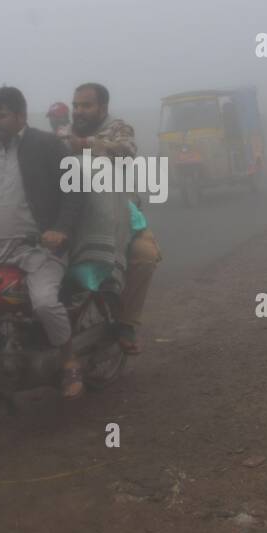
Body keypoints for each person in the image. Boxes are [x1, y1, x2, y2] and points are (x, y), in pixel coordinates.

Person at [0, 87, 87, 398]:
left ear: (21, 116)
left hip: (41, 251)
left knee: (44, 303)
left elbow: (74, 189)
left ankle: (69, 361)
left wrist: (60, 229)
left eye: (2, 115)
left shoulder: (48, 145)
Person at [67, 82, 161, 354]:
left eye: (86, 105)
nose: (79, 111)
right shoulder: (64, 133)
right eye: (76, 106)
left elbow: (126, 150)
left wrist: (83, 145)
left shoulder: (118, 129)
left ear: (102, 107)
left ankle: (126, 322)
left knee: (145, 255)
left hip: (121, 211)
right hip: (75, 213)